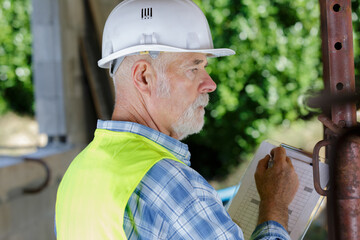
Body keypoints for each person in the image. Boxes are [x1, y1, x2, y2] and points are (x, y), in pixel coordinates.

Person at [55, 0, 299, 239]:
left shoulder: (78, 172)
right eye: (193, 68)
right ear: (144, 77)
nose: (210, 84)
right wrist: (274, 206)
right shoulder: (169, 182)